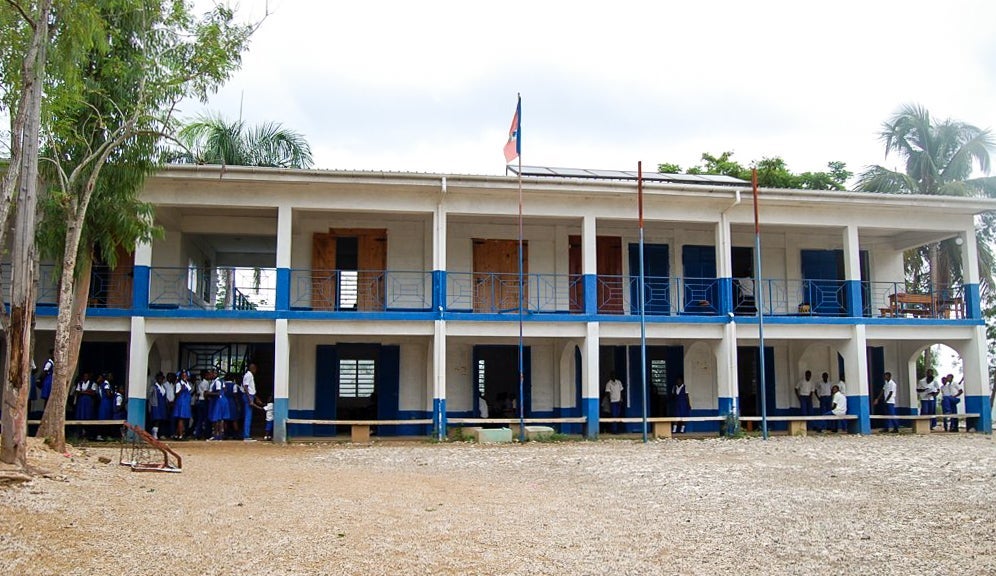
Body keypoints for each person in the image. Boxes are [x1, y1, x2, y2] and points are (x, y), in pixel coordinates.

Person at [73, 372, 99, 440]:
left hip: (89, 402)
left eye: (87, 376)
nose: (85, 377)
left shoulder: (93, 384)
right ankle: (80, 434)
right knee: (81, 416)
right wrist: (87, 391)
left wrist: (83, 392)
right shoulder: (80, 383)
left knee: (88, 416)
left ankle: (88, 434)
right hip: (81, 402)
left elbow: (93, 393)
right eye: (84, 376)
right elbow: (78, 392)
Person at [147, 372, 169, 440]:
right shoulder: (153, 387)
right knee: (157, 419)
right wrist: (151, 404)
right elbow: (149, 395)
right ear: (156, 379)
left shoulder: (163, 387)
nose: (160, 380)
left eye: (162, 378)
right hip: (156, 405)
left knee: (162, 419)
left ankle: (160, 433)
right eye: (159, 378)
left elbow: (165, 396)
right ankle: (154, 433)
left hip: (162, 405)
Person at [172, 370, 193, 439]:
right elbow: (177, 394)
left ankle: (177, 434)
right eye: (183, 375)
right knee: (181, 418)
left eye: (185, 375)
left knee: (184, 419)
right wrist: (181, 389)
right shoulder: (179, 384)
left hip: (186, 402)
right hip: (181, 402)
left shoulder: (187, 383)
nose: (185, 377)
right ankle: (180, 435)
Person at [242, 363, 257, 441]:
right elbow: (245, 387)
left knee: (248, 416)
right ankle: (246, 436)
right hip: (248, 396)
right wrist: (250, 399)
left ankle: (246, 434)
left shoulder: (249, 375)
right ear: (252, 368)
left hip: (251, 396)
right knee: (248, 416)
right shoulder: (248, 375)